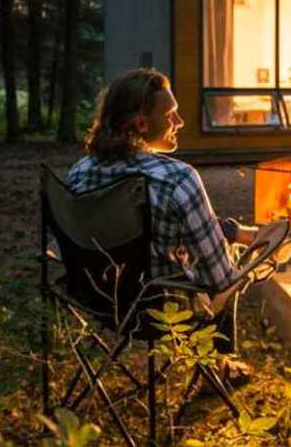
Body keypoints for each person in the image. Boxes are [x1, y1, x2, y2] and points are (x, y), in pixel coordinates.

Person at [65, 68, 257, 379]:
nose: (179, 123)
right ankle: (217, 370)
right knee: (228, 269)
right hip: (158, 311)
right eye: (171, 115)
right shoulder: (177, 178)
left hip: (93, 299)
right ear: (142, 123)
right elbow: (219, 276)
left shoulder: (79, 173)